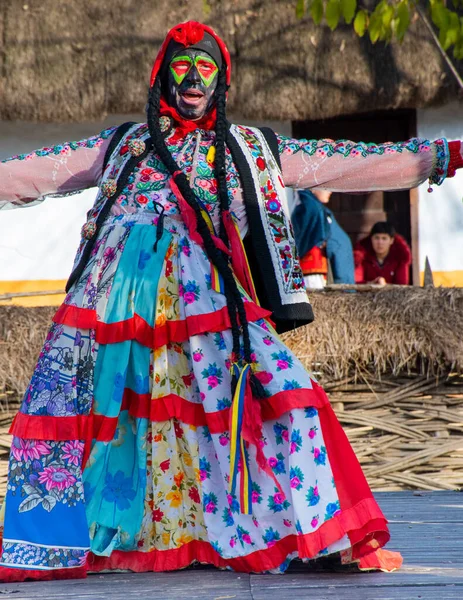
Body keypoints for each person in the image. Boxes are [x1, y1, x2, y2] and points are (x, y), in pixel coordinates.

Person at [0, 20, 462, 581]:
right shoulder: (122, 145)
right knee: (105, 415)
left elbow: (339, 160)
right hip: (113, 308)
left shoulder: (248, 150)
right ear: (161, 78)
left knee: (281, 393)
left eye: (206, 69)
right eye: (181, 67)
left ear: (222, 81)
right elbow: (34, 172)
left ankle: (298, 530)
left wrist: (438, 155)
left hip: (208, 303)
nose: (194, 80)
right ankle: (109, 537)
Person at [292, 189, 355, 288]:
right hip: (312, 267)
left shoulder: (313, 206)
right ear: (312, 188)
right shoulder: (311, 206)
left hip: (317, 266)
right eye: (325, 187)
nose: (330, 192)